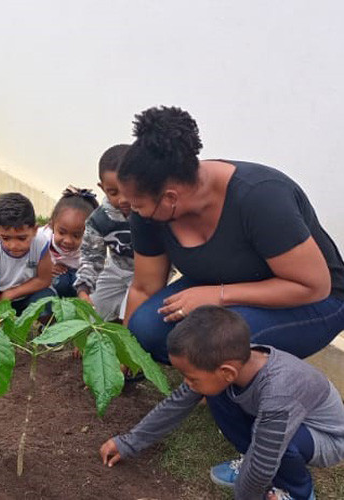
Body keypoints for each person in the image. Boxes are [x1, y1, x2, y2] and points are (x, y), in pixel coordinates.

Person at [118, 106, 344, 362]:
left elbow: (313, 286)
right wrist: (125, 353)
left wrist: (219, 295)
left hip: (313, 300)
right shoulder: (149, 212)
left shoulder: (261, 197)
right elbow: (145, 286)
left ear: (170, 198)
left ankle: (238, 386)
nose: (130, 209)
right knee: (146, 329)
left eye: (137, 204)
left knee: (212, 342)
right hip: (224, 282)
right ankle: (206, 370)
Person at [100, 306, 344, 500]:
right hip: (278, 419)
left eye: (191, 377)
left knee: (276, 446)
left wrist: (247, 492)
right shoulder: (229, 360)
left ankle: (299, 493)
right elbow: (176, 403)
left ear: (227, 372)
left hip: (325, 438)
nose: (186, 383)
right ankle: (248, 457)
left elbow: (262, 464)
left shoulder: (279, 391)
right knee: (215, 394)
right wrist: (128, 443)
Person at [0, 192, 55, 321]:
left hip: (29, 296)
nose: (13, 245)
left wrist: (12, 293)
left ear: (35, 230)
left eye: (22, 238)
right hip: (1, 298)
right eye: (6, 238)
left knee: (48, 300)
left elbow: (44, 280)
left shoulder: (40, 243)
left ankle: (48, 331)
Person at [74, 144, 135, 321]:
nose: (123, 199)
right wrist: (83, 290)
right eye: (113, 192)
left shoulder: (151, 213)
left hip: (147, 275)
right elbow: (91, 257)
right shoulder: (98, 220)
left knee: (132, 317)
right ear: (102, 188)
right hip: (115, 269)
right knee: (91, 315)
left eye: (127, 190)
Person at [41, 186, 98, 298]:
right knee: (59, 282)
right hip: (51, 277)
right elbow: (28, 259)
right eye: (62, 233)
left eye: (76, 236)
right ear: (52, 225)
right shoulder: (41, 239)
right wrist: (46, 267)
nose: (67, 241)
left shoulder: (90, 249)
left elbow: (92, 271)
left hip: (77, 274)